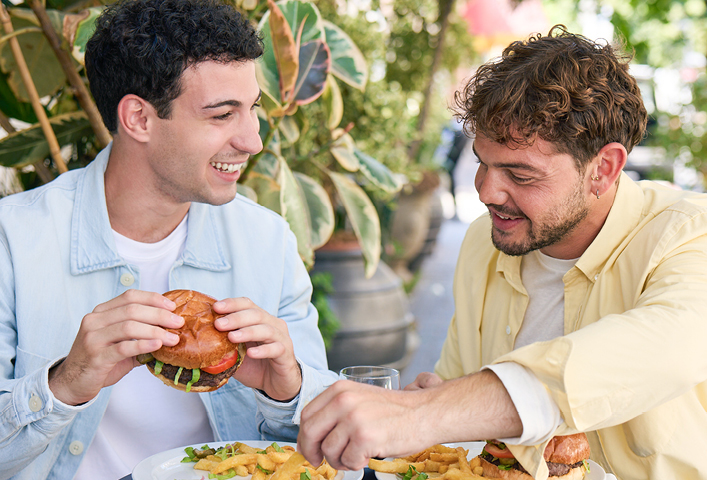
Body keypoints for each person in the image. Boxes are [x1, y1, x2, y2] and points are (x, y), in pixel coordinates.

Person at [297, 25, 707, 480]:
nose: (487, 192)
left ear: (603, 169)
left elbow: (658, 348)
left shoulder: (689, 235)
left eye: (521, 175)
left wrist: (429, 412)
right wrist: (431, 405)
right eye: (481, 163)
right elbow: (454, 412)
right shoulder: (483, 242)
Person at [0, 0, 338, 478]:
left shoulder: (267, 242)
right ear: (138, 118)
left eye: (252, 109)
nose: (253, 140)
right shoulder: (11, 240)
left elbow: (323, 448)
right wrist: (66, 384)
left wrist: (285, 392)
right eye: (223, 115)